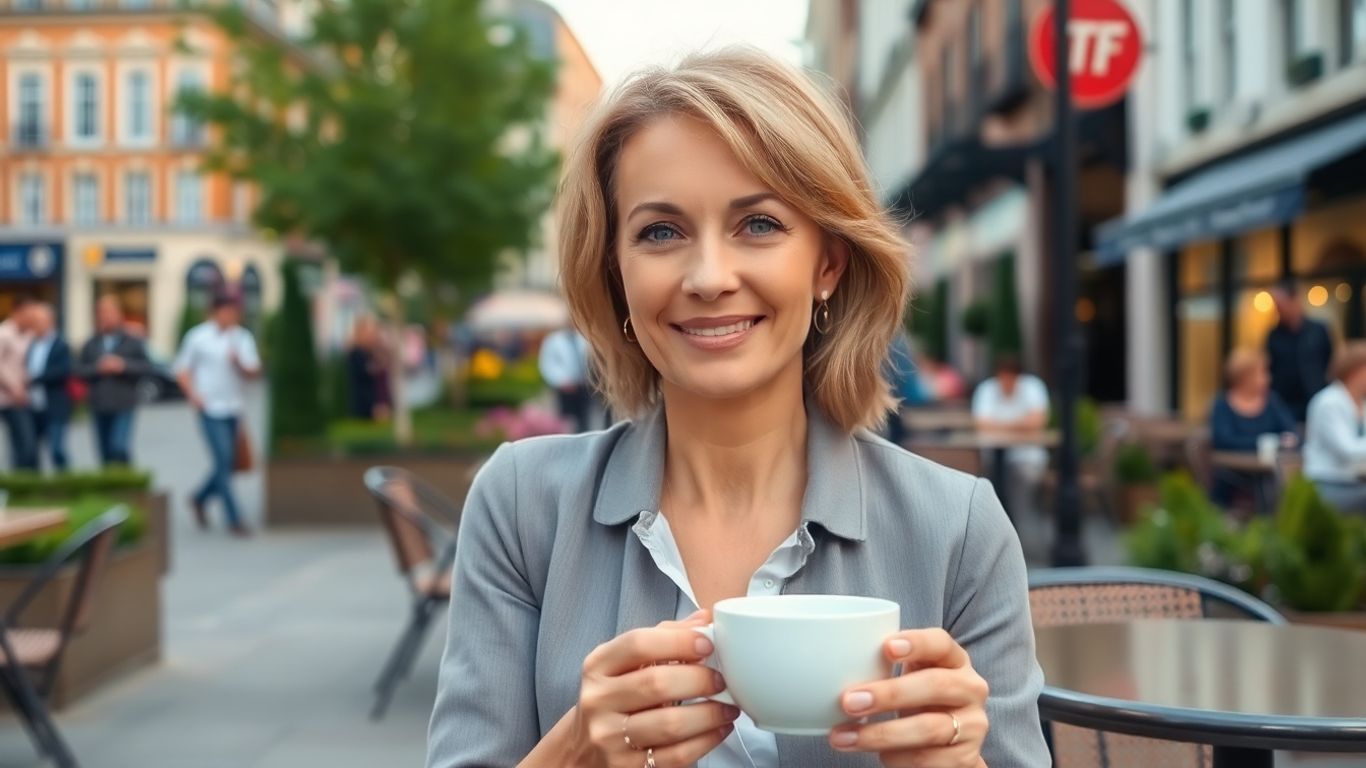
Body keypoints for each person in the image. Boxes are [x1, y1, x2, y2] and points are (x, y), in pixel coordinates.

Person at [427, 49, 1048, 768]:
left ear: (828, 264)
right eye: (660, 232)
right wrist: (573, 755)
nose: (709, 277)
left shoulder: (957, 530)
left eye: (758, 225)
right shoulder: (522, 506)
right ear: (615, 270)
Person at [175, 294, 262, 537]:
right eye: (225, 312)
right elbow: (182, 369)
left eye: (233, 312)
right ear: (215, 313)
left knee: (227, 463)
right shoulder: (198, 337)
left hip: (233, 408)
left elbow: (253, 371)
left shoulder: (242, 338)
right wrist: (193, 394)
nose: (230, 317)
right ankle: (235, 518)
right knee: (223, 460)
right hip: (209, 408)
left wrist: (239, 364)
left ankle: (199, 498)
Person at [1208, 349, 1299, 508]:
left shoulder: (1272, 401)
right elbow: (1224, 440)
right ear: (1245, 377)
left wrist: (1289, 439)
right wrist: (1264, 442)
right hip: (1234, 472)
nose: (1267, 378)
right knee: (1266, 483)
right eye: (1262, 373)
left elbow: (1291, 430)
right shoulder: (1222, 405)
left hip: (1269, 468)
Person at [971, 353, 1051, 516]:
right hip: (992, 457)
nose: (1006, 383)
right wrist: (1020, 423)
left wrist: (998, 424)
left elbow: (1037, 422)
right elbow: (981, 424)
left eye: (1011, 378)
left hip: (1027, 456)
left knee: (1021, 477)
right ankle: (1001, 522)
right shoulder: (987, 389)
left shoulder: (1032, 387)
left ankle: (1016, 523)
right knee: (989, 481)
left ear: (1018, 377)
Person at [77, 296, 153, 466]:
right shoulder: (91, 343)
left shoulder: (132, 340)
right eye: (102, 313)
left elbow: (147, 367)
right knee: (104, 452)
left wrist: (123, 366)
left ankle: (127, 480)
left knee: (118, 446)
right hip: (99, 403)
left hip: (123, 403)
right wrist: (98, 368)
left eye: (109, 312)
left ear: (119, 315)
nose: (106, 317)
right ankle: (111, 487)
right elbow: (79, 370)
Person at [1302, 342, 1366, 513]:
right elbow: (1347, 450)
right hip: (1326, 484)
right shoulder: (1328, 402)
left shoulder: (1361, 403)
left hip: (1354, 482)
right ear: (1355, 372)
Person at [1266, 283, 1335, 422]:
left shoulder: (1318, 330)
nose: (1277, 310)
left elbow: (1331, 361)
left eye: (1280, 305)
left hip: (1315, 396)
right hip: (1285, 402)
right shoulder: (1274, 336)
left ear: (1294, 300)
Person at [23, 304, 72, 472]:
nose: (35, 325)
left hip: (54, 405)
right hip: (33, 404)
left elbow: (62, 371)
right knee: (30, 451)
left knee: (56, 449)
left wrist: (35, 379)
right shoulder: (30, 344)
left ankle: (66, 482)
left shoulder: (61, 345)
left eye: (39, 321)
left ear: (50, 321)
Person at [0, 297, 37, 470]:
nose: (32, 317)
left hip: (25, 397)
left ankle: (23, 483)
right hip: (9, 398)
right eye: (29, 313)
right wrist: (13, 387)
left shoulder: (30, 335)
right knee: (24, 442)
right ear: (18, 312)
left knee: (25, 444)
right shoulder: (4, 333)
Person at [538, 325, 592, 432]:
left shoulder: (582, 339)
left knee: (585, 418)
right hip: (564, 387)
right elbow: (548, 364)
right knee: (566, 420)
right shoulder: (553, 340)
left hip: (583, 385)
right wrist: (562, 381)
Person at [346, 315, 392, 421]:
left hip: (376, 395)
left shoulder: (370, 351)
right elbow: (363, 372)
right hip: (365, 398)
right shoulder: (356, 352)